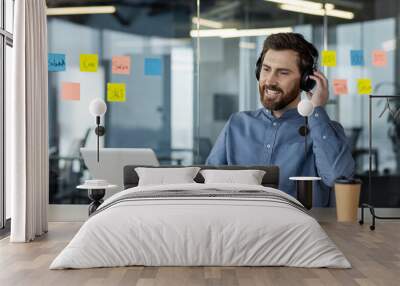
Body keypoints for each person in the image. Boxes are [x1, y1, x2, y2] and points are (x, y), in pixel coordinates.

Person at [206, 33, 355, 206]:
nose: (270, 80)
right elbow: (208, 186)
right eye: (266, 69)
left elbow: (338, 178)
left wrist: (316, 110)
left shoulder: (324, 129)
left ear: (306, 80)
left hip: (298, 231)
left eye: (283, 73)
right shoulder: (237, 125)